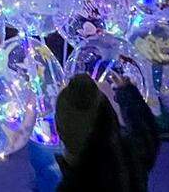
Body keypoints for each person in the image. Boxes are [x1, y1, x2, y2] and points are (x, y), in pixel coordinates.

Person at [28, 74, 159, 192]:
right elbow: (145, 131)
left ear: (60, 130)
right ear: (110, 116)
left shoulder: (71, 186)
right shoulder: (130, 153)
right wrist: (127, 93)